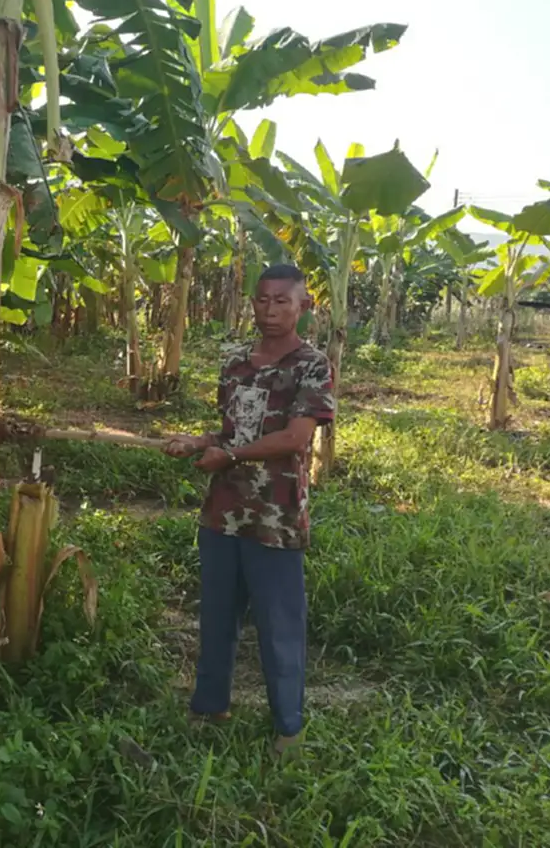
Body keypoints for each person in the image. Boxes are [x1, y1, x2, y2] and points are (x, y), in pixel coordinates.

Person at [164, 264, 335, 757]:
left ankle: (288, 728)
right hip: (223, 511)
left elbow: (295, 438)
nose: (270, 309)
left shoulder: (312, 365)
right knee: (216, 617)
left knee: (279, 625)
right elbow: (230, 430)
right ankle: (210, 707)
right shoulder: (236, 361)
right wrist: (198, 441)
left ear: (303, 306)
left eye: (282, 301)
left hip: (275, 516)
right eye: (262, 300)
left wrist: (231, 455)